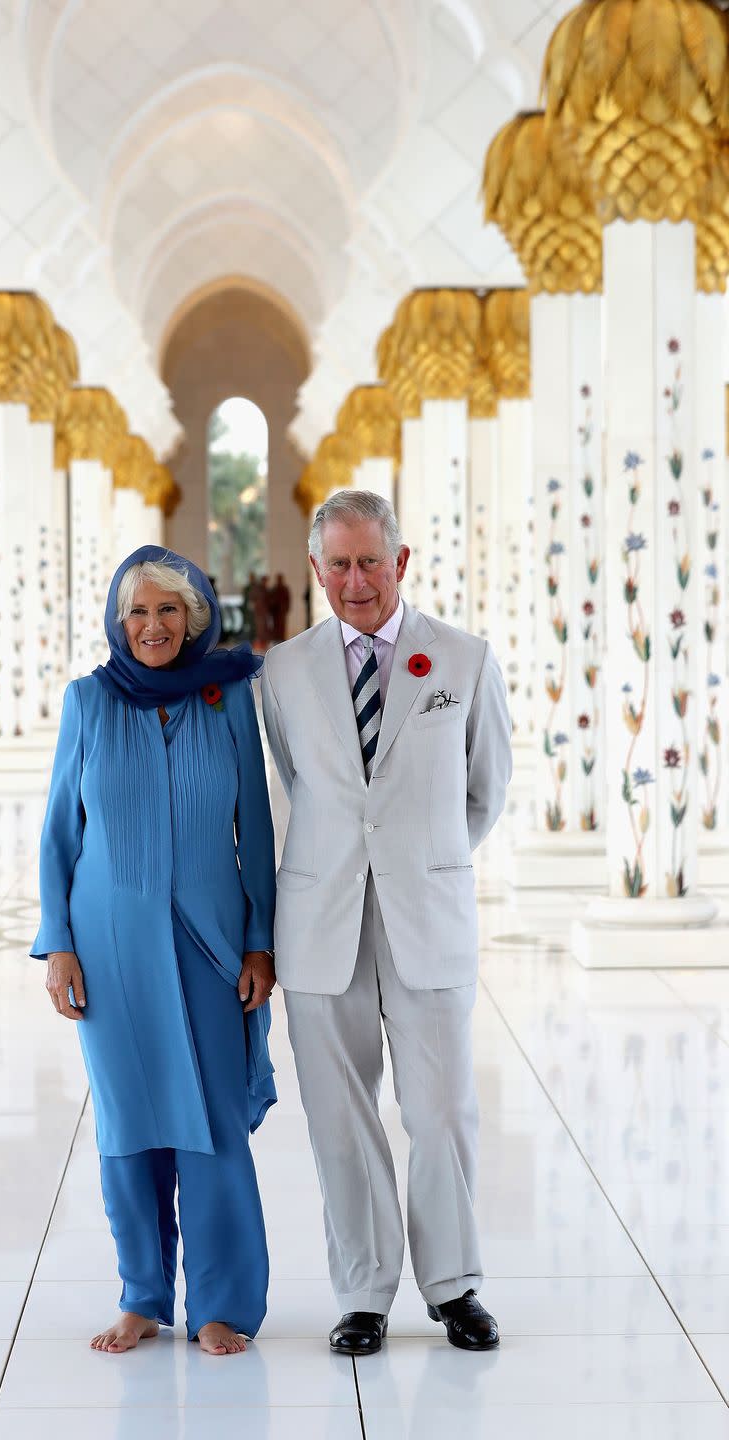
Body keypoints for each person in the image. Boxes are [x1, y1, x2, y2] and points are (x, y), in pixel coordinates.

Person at [261, 490, 511, 1357]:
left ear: (400, 562)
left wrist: (421, 860)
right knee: (339, 1114)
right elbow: (287, 789)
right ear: (317, 569)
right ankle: (363, 1292)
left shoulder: (464, 660)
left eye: (371, 561)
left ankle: (455, 1287)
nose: (355, 580)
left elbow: (487, 790)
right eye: (339, 564)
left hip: (426, 915)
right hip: (321, 916)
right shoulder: (283, 671)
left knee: (441, 1110)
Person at [32, 545, 277, 1357]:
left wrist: (259, 941)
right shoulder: (88, 702)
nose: (152, 625)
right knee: (129, 1124)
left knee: (210, 1126)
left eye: (169, 609)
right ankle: (141, 1296)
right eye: (137, 611)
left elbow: (257, 833)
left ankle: (221, 1304)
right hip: (109, 951)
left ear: (196, 615)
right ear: (117, 619)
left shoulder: (228, 697)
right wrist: (58, 946)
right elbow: (59, 836)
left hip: (210, 944)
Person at [268, 573, 291, 643]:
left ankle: (282, 639)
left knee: (282, 626)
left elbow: (288, 600)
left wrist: (286, 608)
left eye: (280, 578)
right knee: (276, 625)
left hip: (282, 611)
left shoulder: (285, 588)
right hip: (275, 611)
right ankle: (276, 638)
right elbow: (270, 599)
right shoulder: (274, 589)